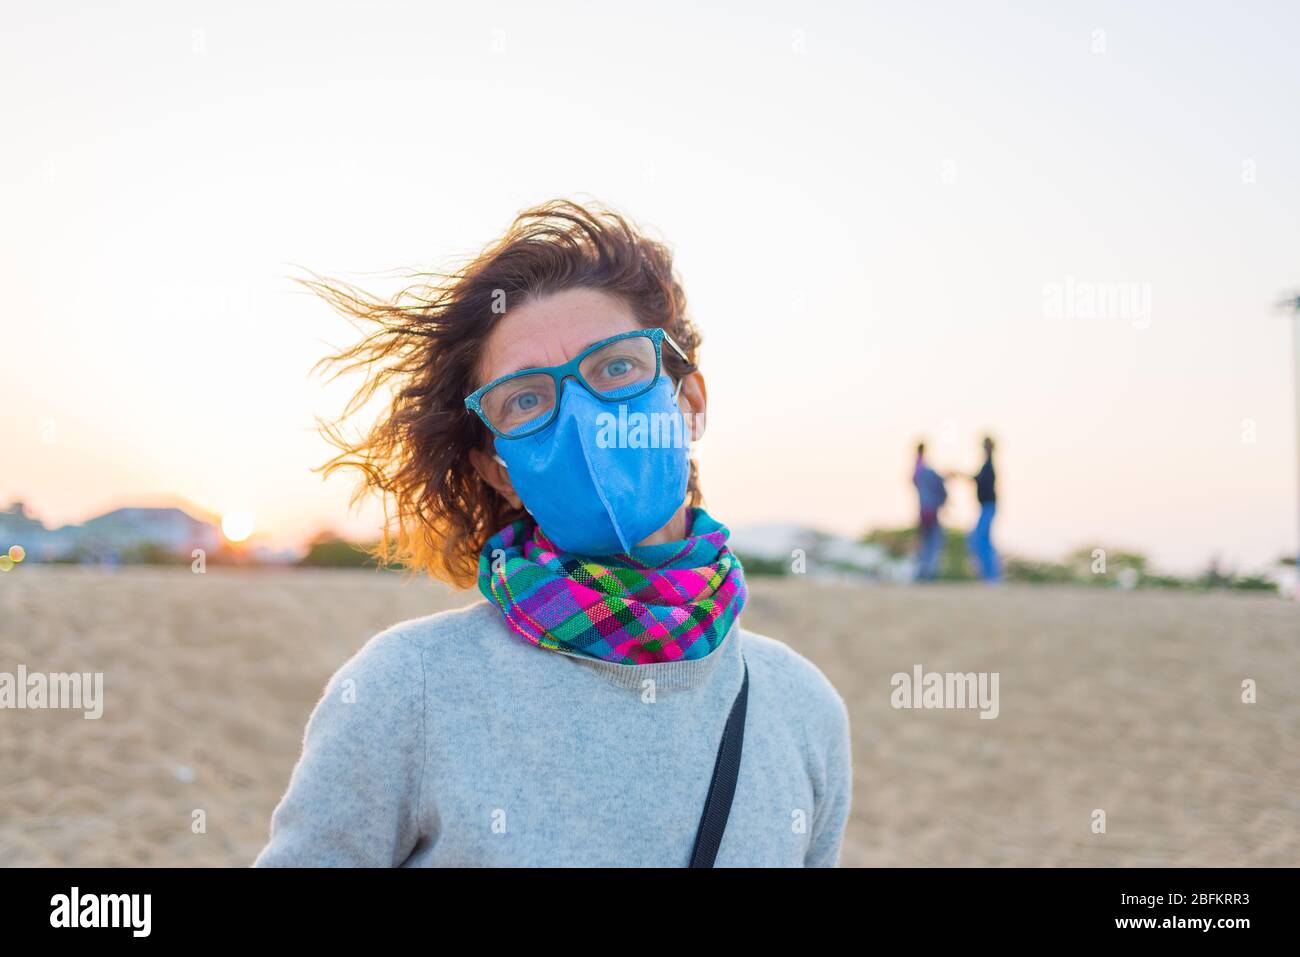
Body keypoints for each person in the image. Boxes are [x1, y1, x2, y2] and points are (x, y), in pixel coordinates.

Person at [253, 199, 852, 867]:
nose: (584, 416)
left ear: (688, 404)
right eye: (528, 399)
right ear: (499, 470)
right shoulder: (408, 689)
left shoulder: (801, 710)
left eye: (617, 368)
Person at [953, 436, 1001, 582]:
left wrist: (959, 475)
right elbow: (976, 479)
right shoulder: (987, 464)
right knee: (980, 539)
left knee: (980, 539)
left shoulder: (989, 465)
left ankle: (992, 576)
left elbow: (978, 480)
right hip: (986, 507)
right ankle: (989, 575)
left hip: (988, 506)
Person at [912, 442, 947, 581]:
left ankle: (924, 570)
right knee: (932, 541)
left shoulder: (919, 470)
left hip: (925, 511)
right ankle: (927, 570)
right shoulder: (926, 471)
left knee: (926, 541)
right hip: (930, 511)